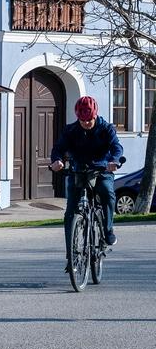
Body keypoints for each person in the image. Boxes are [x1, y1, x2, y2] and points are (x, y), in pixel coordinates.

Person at [50, 95, 124, 264]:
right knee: (70, 212)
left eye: (89, 120)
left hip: (101, 169)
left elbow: (116, 147)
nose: (86, 124)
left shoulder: (106, 128)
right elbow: (58, 148)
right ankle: (71, 254)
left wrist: (114, 161)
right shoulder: (71, 130)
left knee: (107, 192)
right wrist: (57, 160)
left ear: (95, 115)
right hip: (79, 170)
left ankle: (108, 230)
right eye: (82, 121)